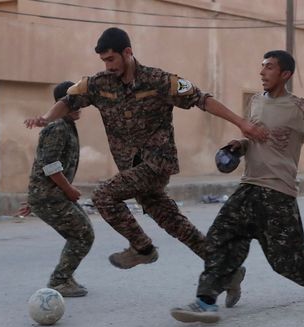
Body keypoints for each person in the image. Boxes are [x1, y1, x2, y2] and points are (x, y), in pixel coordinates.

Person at [25, 27, 265, 296]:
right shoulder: (98, 84)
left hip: (156, 163)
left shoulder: (159, 80)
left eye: (112, 59)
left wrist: (242, 123)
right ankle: (228, 271)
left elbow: (202, 99)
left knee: (104, 196)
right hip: (133, 168)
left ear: (127, 53)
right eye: (104, 61)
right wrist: (47, 118)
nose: (108, 66)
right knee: (174, 223)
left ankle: (142, 248)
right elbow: (68, 99)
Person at [170, 50, 304, 323]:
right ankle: (205, 301)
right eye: (262, 67)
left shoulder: (299, 107)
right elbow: (253, 138)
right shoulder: (255, 103)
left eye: (270, 68)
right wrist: (239, 145)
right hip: (249, 186)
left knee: (286, 260)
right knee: (220, 238)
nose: (262, 72)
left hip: (278, 192)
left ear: (285, 74)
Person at [19, 81, 93, 297]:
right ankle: (59, 281)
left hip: (50, 195)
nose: (79, 106)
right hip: (51, 196)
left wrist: (34, 199)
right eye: (75, 102)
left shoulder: (65, 125)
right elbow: (49, 165)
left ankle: (65, 276)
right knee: (83, 234)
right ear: (64, 103)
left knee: (80, 233)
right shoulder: (58, 127)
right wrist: (68, 189)